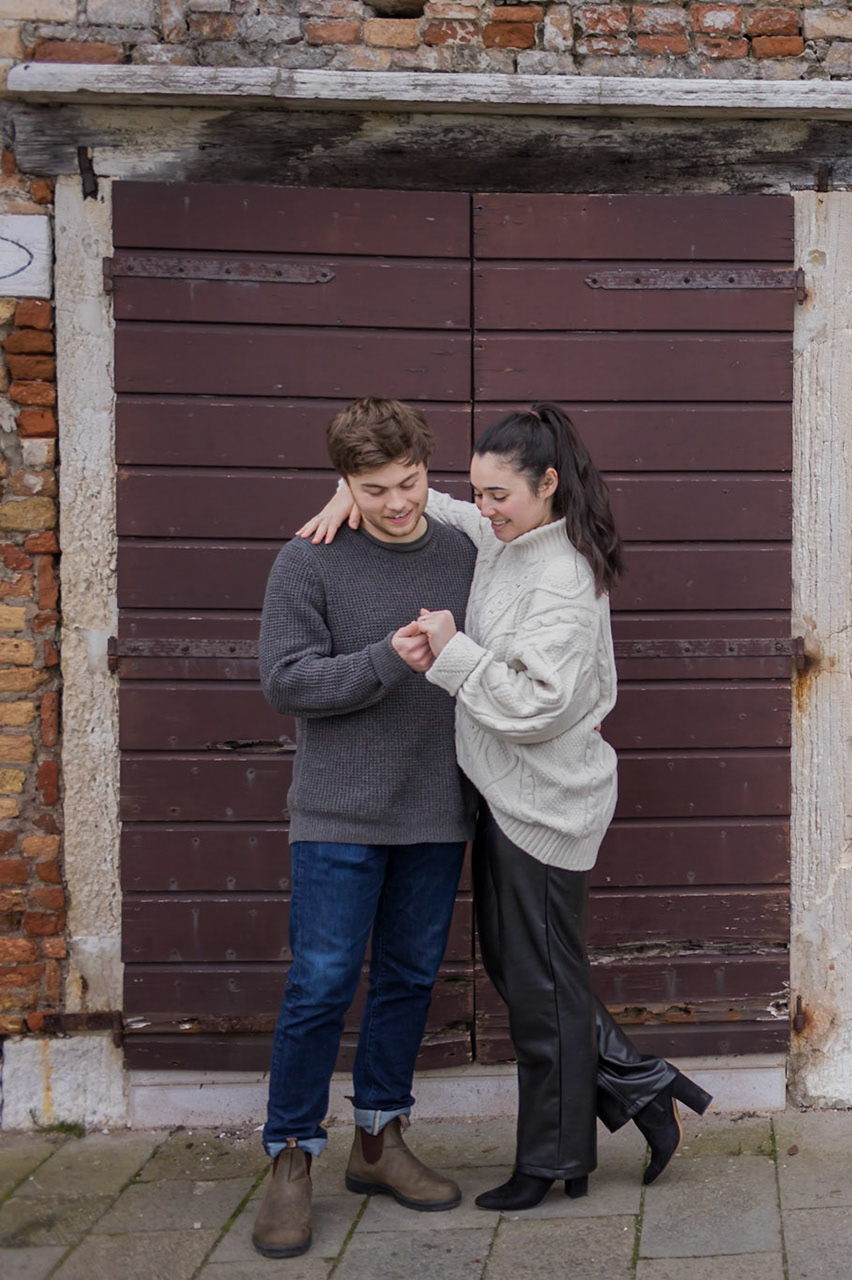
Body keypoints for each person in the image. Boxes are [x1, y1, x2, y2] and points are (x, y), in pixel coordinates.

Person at [302, 402, 711, 1213]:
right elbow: (442, 506)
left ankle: (554, 1160)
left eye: (498, 496)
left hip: (547, 808)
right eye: (477, 493)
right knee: (538, 978)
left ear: (548, 484)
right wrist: (359, 494)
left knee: (539, 993)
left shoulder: (560, 575)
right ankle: (641, 1089)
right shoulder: (512, 537)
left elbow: (535, 707)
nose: (480, 510)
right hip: (504, 796)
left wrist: (451, 653)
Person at [254, 398, 478, 1259]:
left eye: (410, 482)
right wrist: (390, 660)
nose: (395, 503)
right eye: (374, 488)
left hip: (435, 807)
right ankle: (291, 1158)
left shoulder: (462, 551)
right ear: (342, 484)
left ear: (429, 468)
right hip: (338, 814)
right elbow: (287, 683)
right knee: (319, 984)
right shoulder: (306, 561)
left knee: (409, 978)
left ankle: (379, 1142)